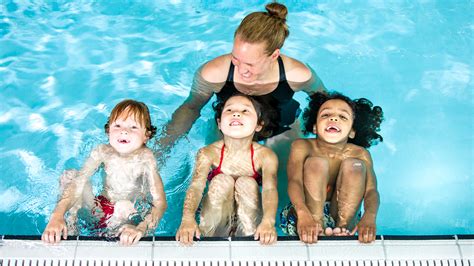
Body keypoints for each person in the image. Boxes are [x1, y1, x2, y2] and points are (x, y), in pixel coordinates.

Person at [154, 2, 326, 159]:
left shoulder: (297, 74)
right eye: (236, 58)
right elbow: (191, 108)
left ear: (274, 55)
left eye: (250, 64)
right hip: (228, 130)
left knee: (285, 183)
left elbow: (325, 104)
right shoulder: (214, 73)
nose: (241, 69)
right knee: (215, 181)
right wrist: (161, 150)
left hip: (282, 128)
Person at [42, 99, 167, 245]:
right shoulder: (103, 151)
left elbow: (160, 202)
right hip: (99, 210)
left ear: (146, 135)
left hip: (126, 219)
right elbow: (79, 182)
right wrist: (57, 214)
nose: (124, 131)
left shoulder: (146, 159)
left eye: (133, 127)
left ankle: (121, 237)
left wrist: (141, 228)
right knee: (71, 176)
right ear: (108, 131)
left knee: (123, 204)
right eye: (118, 125)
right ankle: (69, 226)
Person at [281, 91, 383, 244]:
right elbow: (294, 181)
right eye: (325, 115)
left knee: (355, 165)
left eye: (342, 117)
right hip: (303, 214)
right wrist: (303, 215)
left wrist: (369, 217)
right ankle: (317, 226)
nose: (333, 118)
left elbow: (371, 191)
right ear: (315, 127)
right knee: (316, 163)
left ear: (352, 131)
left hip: (342, 213)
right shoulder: (302, 146)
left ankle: (343, 230)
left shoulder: (360, 153)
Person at [175, 94, 279, 245]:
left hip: (248, 212)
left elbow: (270, 190)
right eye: (229, 110)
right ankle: (212, 237)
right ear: (219, 123)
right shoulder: (208, 153)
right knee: (221, 181)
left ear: (259, 125)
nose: (236, 114)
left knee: (247, 184)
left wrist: (268, 222)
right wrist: (187, 219)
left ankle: (249, 237)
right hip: (217, 212)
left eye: (245, 111)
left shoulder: (265, 156)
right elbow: (196, 187)